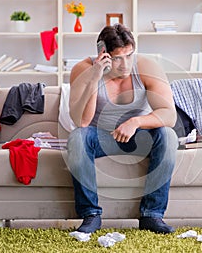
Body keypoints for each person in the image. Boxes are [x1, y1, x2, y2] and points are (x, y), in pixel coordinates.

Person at [67, 23, 178, 234]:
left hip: (138, 136)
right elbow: (82, 122)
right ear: (103, 53)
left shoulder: (147, 66)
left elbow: (169, 115)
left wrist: (135, 122)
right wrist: (95, 78)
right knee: (78, 137)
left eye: (129, 55)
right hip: (100, 137)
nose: (125, 64)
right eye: (118, 58)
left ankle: (152, 215)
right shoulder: (82, 70)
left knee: (168, 135)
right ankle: (90, 214)